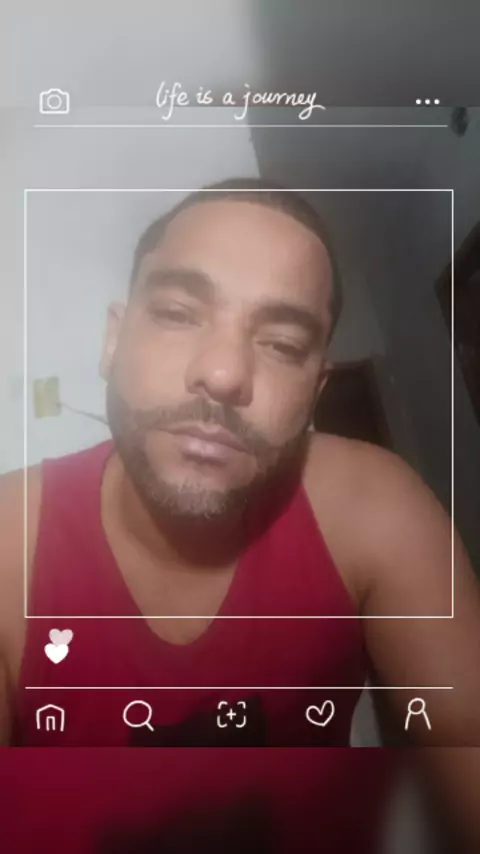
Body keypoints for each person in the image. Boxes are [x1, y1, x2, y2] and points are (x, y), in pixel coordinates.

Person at [0, 177, 479, 851]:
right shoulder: (10, 542)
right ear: (114, 340)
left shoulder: (372, 507)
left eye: (281, 344)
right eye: (178, 313)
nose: (224, 374)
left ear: (315, 391)